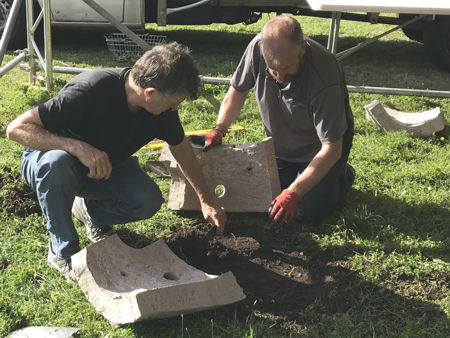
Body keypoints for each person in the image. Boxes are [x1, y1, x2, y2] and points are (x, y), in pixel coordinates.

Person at [6, 42, 226, 280]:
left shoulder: (162, 113)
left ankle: (91, 214)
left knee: (147, 200)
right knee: (57, 163)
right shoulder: (90, 89)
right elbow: (16, 129)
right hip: (47, 160)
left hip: (102, 169)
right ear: (150, 93)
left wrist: (207, 200)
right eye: (173, 103)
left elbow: (181, 148)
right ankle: (62, 252)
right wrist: (76, 147)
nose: (175, 109)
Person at [200, 15, 355, 226]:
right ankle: (297, 175)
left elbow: (332, 148)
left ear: (303, 47)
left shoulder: (324, 77)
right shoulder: (257, 47)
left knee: (306, 211)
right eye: (273, 70)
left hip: (320, 150)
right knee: (263, 199)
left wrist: (294, 192)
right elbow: (237, 91)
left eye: (287, 68)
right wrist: (219, 129)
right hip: (282, 148)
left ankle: (342, 176)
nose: (280, 76)